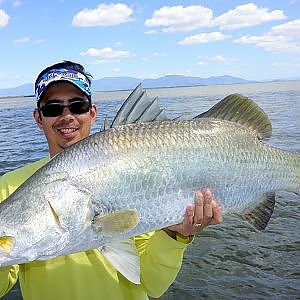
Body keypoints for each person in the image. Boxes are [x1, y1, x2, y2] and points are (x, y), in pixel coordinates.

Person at [0, 61, 223, 300]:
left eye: (77, 105)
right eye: (53, 108)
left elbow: (151, 284)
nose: (67, 116)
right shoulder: (9, 187)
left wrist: (174, 235)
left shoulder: (138, 170)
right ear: (38, 117)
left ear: (92, 112)